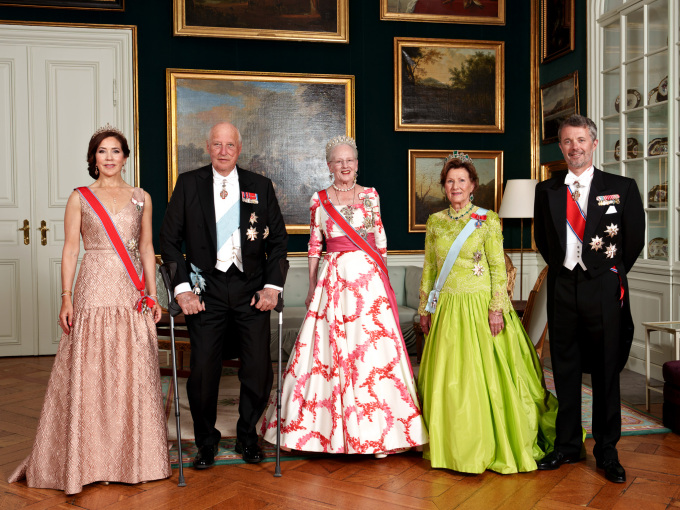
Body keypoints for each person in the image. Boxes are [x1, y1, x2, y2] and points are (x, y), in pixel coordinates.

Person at [9, 126, 170, 494]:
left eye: (116, 151)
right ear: (93, 158)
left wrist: (151, 292)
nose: (110, 157)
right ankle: (86, 459)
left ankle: (134, 458)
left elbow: (147, 248)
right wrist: (66, 296)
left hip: (130, 291)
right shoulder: (79, 197)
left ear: (126, 157)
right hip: (92, 285)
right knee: (90, 367)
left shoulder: (141, 197)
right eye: (102, 151)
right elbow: (69, 250)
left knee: (132, 368)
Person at [259, 136, 427, 456]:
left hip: (367, 282)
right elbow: (313, 246)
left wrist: (383, 280)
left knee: (372, 353)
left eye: (349, 160)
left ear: (357, 164)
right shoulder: (319, 199)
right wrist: (311, 286)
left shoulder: (370, 195)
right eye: (338, 161)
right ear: (329, 166)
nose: (344, 166)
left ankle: (380, 436)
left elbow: (379, 237)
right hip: (332, 279)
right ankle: (310, 433)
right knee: (326, 354)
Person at [417, 153, 557, 474]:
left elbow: (497, 268)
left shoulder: (487, 219)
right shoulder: (436, 222)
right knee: (449, 379)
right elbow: (429, 268)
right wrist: (426, 306)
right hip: (448, 308)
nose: (455, 186)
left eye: (461, 181)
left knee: (484, 379)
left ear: (473, 185)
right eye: (450, 181)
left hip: (481, 307)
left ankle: (485, 443)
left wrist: (497, 309)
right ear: (444, 185)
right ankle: (451, 444)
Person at [160, 122, 288, 467]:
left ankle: (248, 436)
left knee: (259, 371)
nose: (223, 150)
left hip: (251, 290)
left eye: (229, 144)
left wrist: (272, 287)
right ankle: (205, 442)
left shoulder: (259, 185)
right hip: (206, 291)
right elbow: (169, 243)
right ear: (207, 146)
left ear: (239, 149)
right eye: (216, 144)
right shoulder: (189, 184)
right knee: (202, 371)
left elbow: (278, 242)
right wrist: (183, 290)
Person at [534, 114, 645, 483]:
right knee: (563, 367)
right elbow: (544, 241)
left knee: (605, 370)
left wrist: (604, 272)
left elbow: (633, 241)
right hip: (563, 287)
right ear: (561, 146)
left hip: (602, 286)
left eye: (581, 140)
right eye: (567, 141)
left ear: (593, 144)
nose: (574, 147)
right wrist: (567, 270)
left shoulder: (622, 186)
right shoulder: (546, 191)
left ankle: (607, 451)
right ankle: (567, 446)